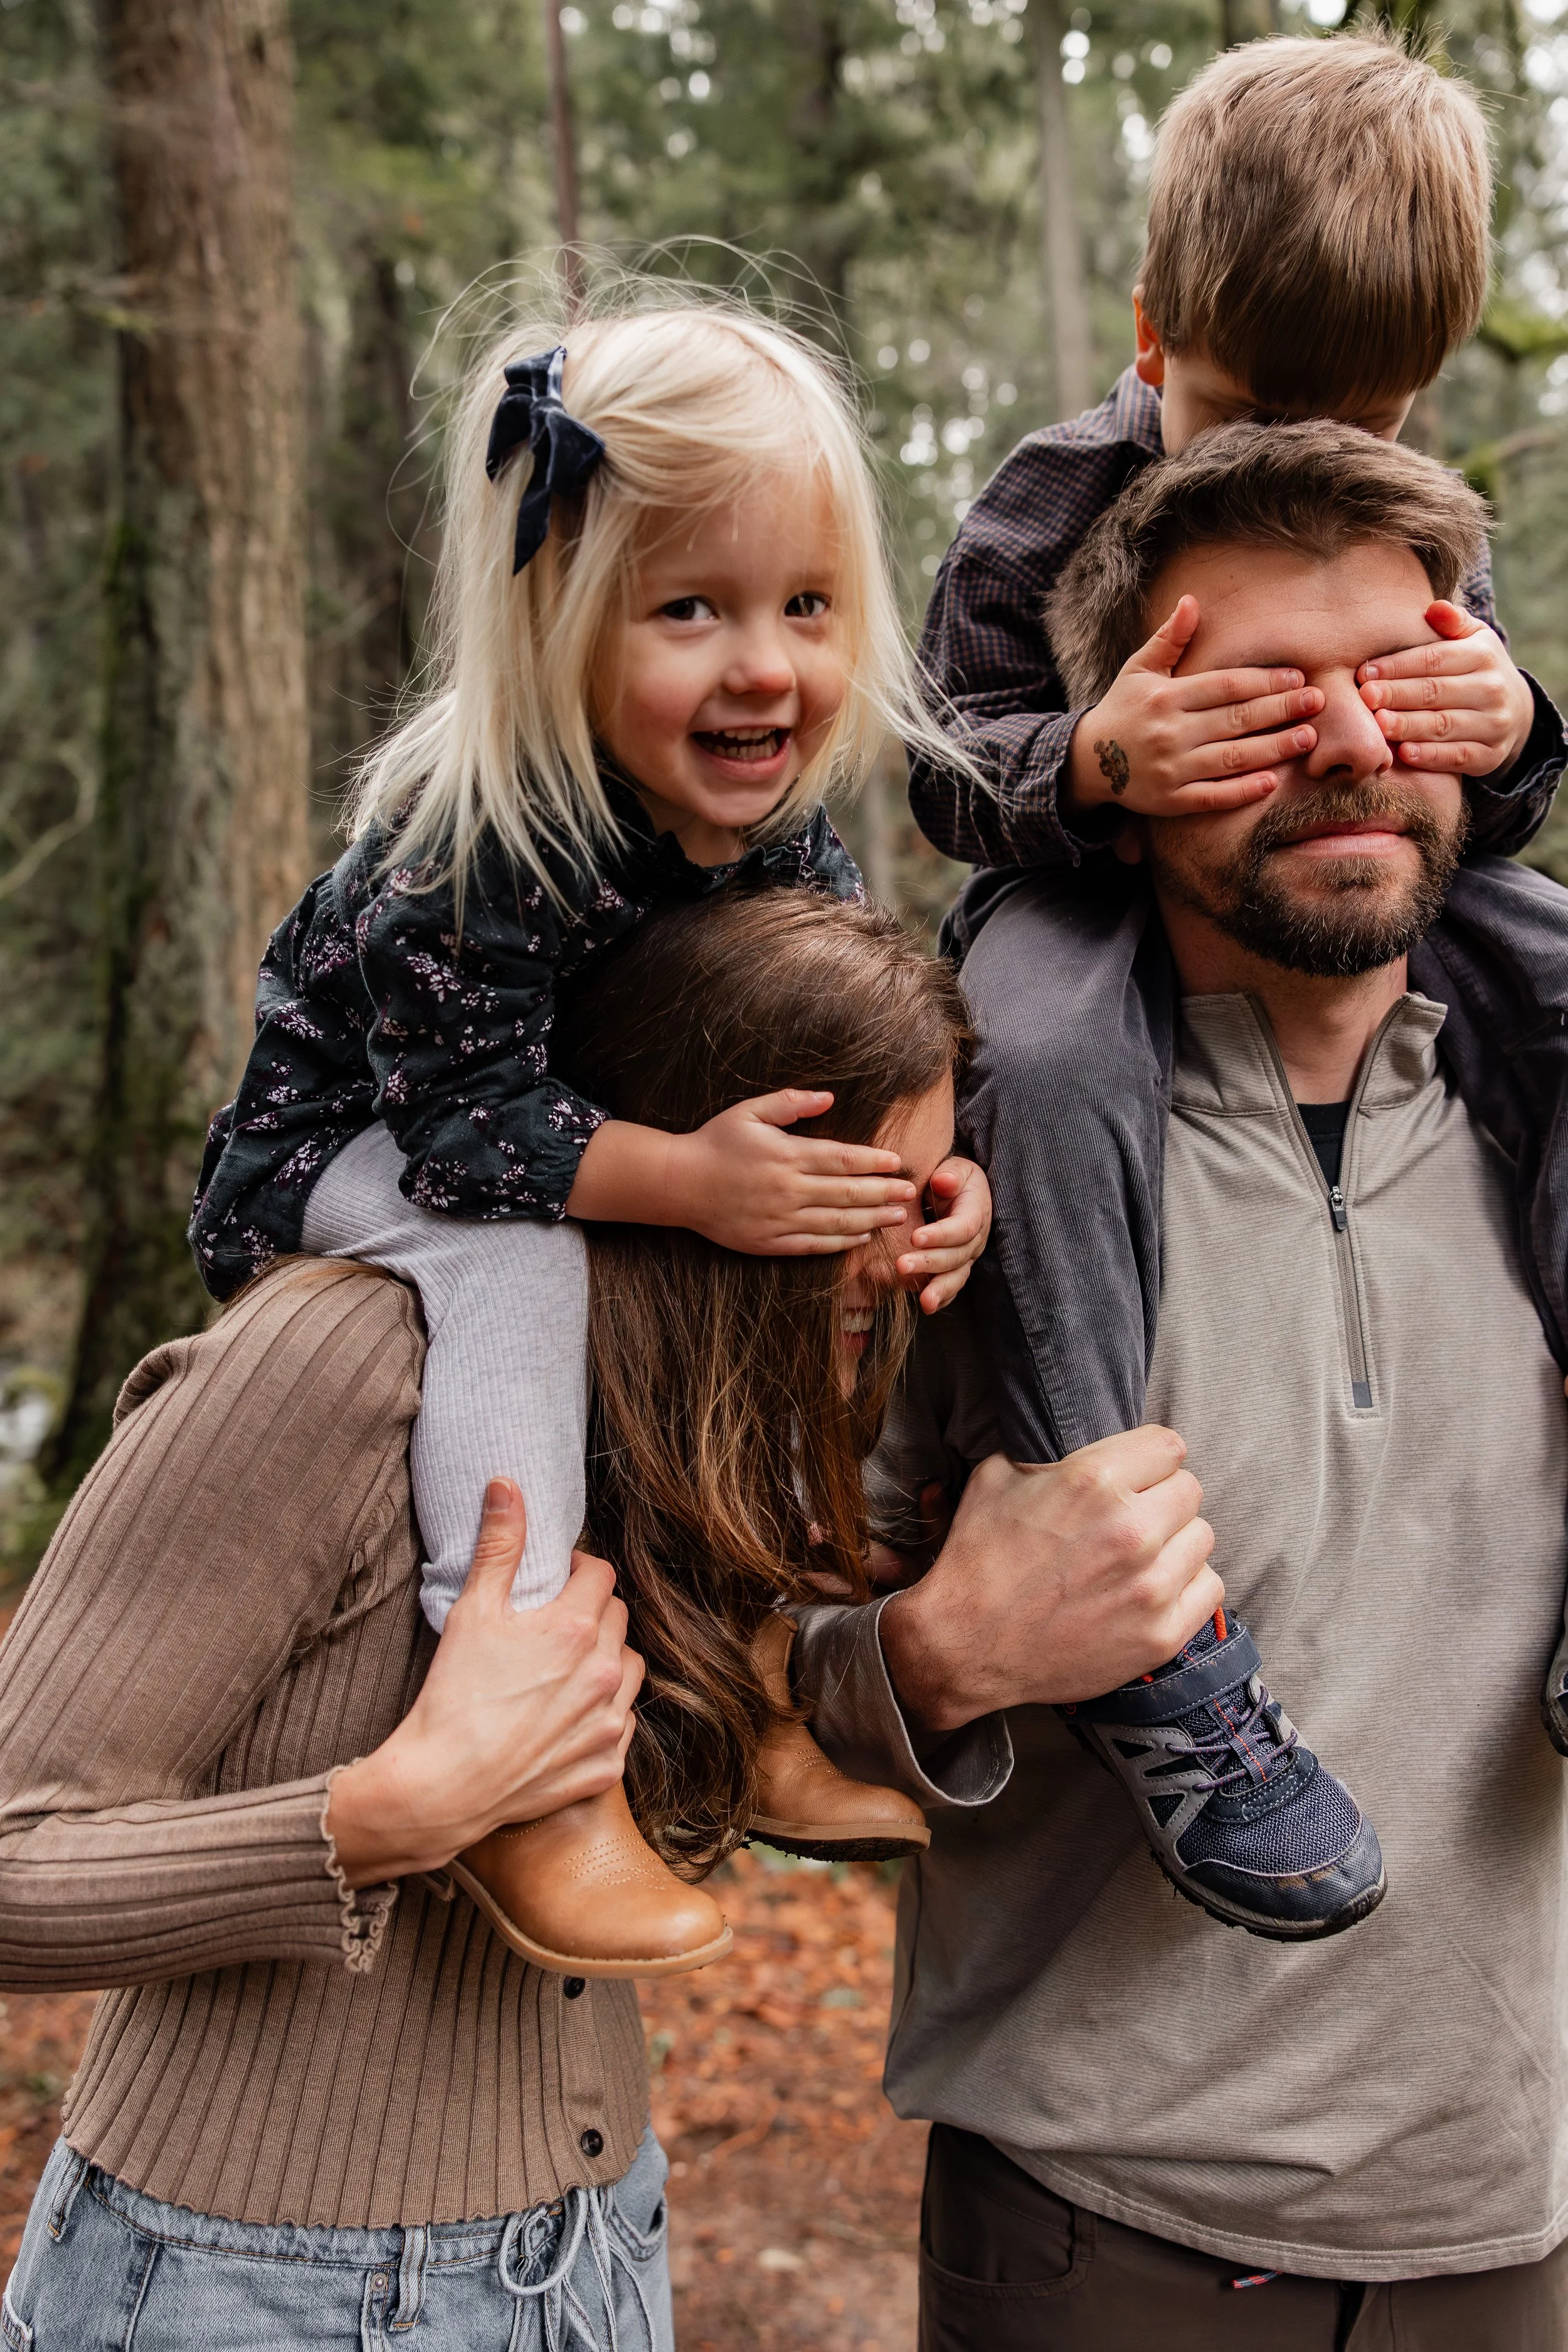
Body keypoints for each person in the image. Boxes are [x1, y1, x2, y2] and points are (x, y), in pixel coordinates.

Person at [0, 889, 1218, 2349]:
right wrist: (383, 1816)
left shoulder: (643, 1402)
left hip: (584, 2247)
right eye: (844, 1199)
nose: (889, 1262)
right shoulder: (334, 1365)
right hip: (250, 2281)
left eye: (921, 1192)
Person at [788, 424, 1568, 2346]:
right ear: (1111, 759)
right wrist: (938, 1650)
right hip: (1101, 2236)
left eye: (1394, 680)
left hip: (1515, 2228)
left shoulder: (1543, 1117)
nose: (1345, 746)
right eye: (1249, 695)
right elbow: (699, 1678)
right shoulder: (934, 1164)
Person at [186, 298, 994, 1978]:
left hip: (573, 1135)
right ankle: (523, 1752)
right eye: (686, 608)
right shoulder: (480, 830)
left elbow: (830, 1069)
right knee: (525, 1267)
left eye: (803, 605)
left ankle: (741, 1678)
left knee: (743, 1267)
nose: (761, 662)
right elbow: (466, 1124)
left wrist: (923, 1189)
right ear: (550, 619)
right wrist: (689, 1175)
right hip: (360, 1152)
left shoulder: (781, 840)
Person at [903, 28, 1568, 1932]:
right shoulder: (1052, 497)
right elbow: (947, 766)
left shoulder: (1415, 510)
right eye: (1232, 414)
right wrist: (1097, 760)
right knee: (1029, 1049)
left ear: (1413, 394)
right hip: (1091, 893)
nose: (1291, 458)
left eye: (1348, 424)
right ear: (1146, 331)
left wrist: (1510, 726)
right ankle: (1142, 1620)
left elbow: (1484, 808)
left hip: (1382, 912)